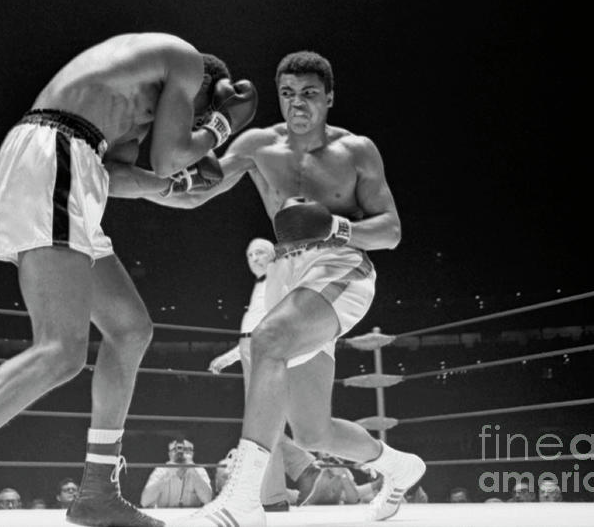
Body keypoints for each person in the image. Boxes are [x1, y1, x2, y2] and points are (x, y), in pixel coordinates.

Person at [0, 33, 258, 527]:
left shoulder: (128, 105)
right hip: (57, 154)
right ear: (207, 87)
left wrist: (184, 185)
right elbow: (169, 156)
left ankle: (97, 493)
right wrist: (220, 127)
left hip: (77, 168)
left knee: (130, 329)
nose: (187, 125)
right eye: (196, 116)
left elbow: (130, 176)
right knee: (61, 349)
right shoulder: (182, 60)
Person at [139, 50, 425, 525]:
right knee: (312, 431)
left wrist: (335, 226)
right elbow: (194, 194)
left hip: (341, 267)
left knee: (266, 341)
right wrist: (122, 182)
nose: (298, 105)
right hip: (288, 280)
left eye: (310, 94)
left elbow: (391, 230)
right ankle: (399, 467)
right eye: (288, 95)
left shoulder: (356, 151)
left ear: (329, 97)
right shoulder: (256, 146)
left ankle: (245, 502)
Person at [208, 238, 338, 510]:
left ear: (274, 256)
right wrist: (231, 356)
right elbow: (254, 328)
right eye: (250, 254)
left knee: (263, 423)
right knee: (265, 422)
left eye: (261, 253)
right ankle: (301, 473)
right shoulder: (263, 285)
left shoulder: (280, 283)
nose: (254, 258)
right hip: (253, 349)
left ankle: (276, 493)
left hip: (268, 348)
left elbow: (275, 322)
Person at [140, 439, 213, 508]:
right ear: (169, 454)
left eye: (186, 450)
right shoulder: (161, 470)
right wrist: (169, 472)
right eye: (175, 450)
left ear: (192, 454)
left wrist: (192, 470)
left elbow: (208, 500)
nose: (181, 453)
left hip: (192, 517)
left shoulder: (199, 470)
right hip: (164, 516)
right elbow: (144, 502)